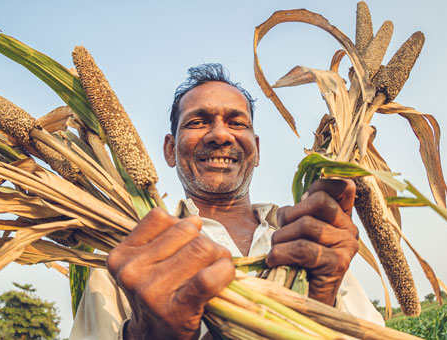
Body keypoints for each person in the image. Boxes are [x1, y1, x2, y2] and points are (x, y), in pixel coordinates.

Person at [69, 64, 383, 340]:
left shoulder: (310, 243)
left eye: (237, 123)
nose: (220, 134)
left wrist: (320, 301)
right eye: (197, 122)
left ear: (256, 149)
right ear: (169, 149)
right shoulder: (129, 256)